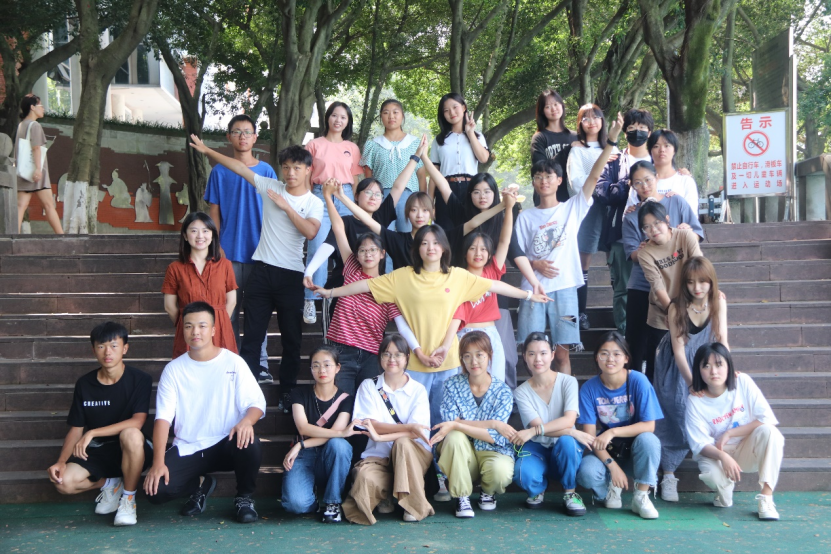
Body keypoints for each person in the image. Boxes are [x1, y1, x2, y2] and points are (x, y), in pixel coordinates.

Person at [310, 224, 548, 431]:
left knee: (445, 420)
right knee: (417, 423)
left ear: (444, 248)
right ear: (417, 249)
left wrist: (529, 294)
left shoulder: (457, 276)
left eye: (435, 243)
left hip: (449, 362)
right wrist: (331, 292)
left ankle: (440, 465)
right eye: (424, 243)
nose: (430, 247)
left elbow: (494, 285)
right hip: (415, 364)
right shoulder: (402, 277)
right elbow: (364, 285)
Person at [188, 135, 323, 412]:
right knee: (251, 338)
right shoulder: (270, 185)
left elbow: (311, 232)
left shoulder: (313, 202)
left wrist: (286, 207)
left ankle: (287, 393)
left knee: (292, 340)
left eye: (297, 168)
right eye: (286, 167)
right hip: (261, 272)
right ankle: (246, 394)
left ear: (308, 170)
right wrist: (206, 150)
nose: (290, 173)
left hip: (290, 277)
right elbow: (239, 167)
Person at [515, 113, 624, 375]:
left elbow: (593, 176)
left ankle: (566, 399)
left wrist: (611, 140)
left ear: (559, 180)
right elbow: (516, 253)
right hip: (533, 291)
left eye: (549, 176)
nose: (544, 181)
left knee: (563, 353)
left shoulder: (572, 208)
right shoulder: (525, 216)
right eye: (538, 177)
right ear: (533, 183)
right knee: (533, 353)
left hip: (565, 291)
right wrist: (535, 264)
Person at [144, 302, 266, 523]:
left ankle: (244, 498)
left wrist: (247, 421)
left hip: (227, 443)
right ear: (183, 330)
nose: (195, 332)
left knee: (250, 442)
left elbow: (256, 404)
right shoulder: (173, 370)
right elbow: (163, 419)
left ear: (213, 330)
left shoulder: (233, 362)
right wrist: (158, 462)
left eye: (202, 326)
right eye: (189, 326)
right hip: (189, 446)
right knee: (156, 491)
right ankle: (200, 484)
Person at [319, 180, 421, 396]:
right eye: (363, 250)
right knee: (342, 404)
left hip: (371, 356)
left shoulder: (388, 286)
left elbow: (402, 326)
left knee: (368, 406)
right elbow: (338, 229)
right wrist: (329, 197)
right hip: (341, 351)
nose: (368, 254)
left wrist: (418, 351)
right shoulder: (351, 269)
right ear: (356, 254)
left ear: (383, 254)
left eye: (373, 250)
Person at [46, 322, 152, 526]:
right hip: (99, 451)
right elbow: (76, 428)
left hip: (133, 448)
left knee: (130, 433)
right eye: (101, 346)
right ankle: (111, 484)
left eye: (113, 345)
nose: (107, 352)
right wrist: (61, 461)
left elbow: (138, 421)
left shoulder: (140, 379)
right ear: (93, 350)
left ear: (125, 348)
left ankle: (128, 499)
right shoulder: (85, 384)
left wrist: (92, 432)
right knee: (63, 483)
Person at [653, 256, 728, 502]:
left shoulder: (718, 301)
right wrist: (692, 383)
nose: (697, 287)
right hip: (677, 364)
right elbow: (678, 352)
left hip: (707, 360)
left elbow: (722, 340)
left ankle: (716, 467)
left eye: (703, 281)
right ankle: (668, 473)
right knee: (676, 408)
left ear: (711, 282)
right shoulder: (676, 307)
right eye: (691, 282)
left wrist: (726, 369)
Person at [204, 114, 275, 371]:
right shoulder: (219, 171)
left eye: (247, 132)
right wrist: (216, 246)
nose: (242, 136)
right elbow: (214, 212)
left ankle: (260, 365)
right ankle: (231, 362)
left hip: (261, 253)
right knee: (228, 311)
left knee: (258, 313)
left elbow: (275, 211)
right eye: (236, 131)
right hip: (228, 253)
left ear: (255, 137)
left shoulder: (266, 171)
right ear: (228, 137)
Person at [621, 162, 703, 377]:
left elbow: (695, 235)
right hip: (643, 284)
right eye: (638, 182)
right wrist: (644, 250)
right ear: (632, 186)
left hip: (677, 283)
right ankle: (636, 387)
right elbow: (633, 254)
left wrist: (687, 231)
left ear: (656, 177)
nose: (644, 185)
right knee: (637, 341)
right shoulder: (631, 215)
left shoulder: (676, 201)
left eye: (648, 179)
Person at [342, 334, 434, 524]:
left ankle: (412, 506)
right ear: (380, 357)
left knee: (402, 443)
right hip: (379, 457)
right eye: (387, 354)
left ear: (407, 358)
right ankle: (386, 494)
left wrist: (381, 436)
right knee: (364, 478)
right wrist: (408, 427)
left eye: (398, 354)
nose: (392, 359)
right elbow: (370, 424)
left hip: (412, 456)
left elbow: (415, 434)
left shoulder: (417, 390)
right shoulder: (369, 386)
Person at [686, 343, 783, 520]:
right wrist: (723, 456)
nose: (714, 371)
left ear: (728, 366)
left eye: (719, 364)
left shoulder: (742, 382)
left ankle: (766, 498)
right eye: (706, 366)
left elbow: (766, 418)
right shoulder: (695, 401)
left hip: (746, 448)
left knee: (771, 432)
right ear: (698, 370)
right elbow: (699, 444)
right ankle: (724, 490)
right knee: (714, 481)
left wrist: (730, 433)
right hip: (717, 453)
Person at [576, 331, 664, 520]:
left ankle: (641, 496)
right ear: (597, 358)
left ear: (626, 358)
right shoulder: (589, 388)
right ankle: (611, 489)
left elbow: (649, 426)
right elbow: (590, 438)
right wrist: (612, 466)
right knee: (586, 472)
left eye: (616, 354)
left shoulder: (638, 381)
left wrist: (613, 431)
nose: (610, 359)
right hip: (609, 451)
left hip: (636, 451)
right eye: (604, 353)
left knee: (649, 440)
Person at [430, 332, 515, 518]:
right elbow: (449, 423)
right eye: (467, 356)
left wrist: (458, 424)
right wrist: (492, 423)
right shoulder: (451, 384)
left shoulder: (503, 391)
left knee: (501, 471)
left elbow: (494, 436)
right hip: (461, 452)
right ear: (461, 359)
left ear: (489, 355)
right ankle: (462, 497)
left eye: (479, 355)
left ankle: (487, 491)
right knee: (454, 437)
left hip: (491, 450)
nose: (473, 361)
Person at [511, 332, 588, 516]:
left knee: (567, 443)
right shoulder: (521, 392)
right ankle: (539, 489)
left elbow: (569, 420)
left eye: (543, 353)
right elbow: (540, 429)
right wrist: (571, 432)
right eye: (531, 354)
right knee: (522, 474)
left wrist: (534, 431)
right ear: (525, 357)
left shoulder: (568, 382)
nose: (538, 359)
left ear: (552, 355)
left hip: (564, 447)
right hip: (538, 447)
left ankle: (570, 492)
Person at [446, 190, 519, 383]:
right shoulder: (456, 275)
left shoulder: (492, 271)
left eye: (483, 249)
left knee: (495, 382)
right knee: (462, 384)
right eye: (472, 248)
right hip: (463, 335)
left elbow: (504, 240)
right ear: (465, 253)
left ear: (489, 254)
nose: (478, 253)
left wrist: (508, 208)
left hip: (490, 334)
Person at [281, 346, 359, 523]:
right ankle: (313, 500)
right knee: (296, 505)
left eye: (327, 365)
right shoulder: (299, 393)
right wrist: (302, 446)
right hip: (304, 455)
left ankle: (332, 503)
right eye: (316, 365)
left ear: (337, 368)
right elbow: (303, 428)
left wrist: (301, 444)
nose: (321, 370)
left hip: (329, 454)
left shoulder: (346, 399)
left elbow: (337, 435)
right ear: (310, 369)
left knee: (339, 445)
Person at [594, 108, 655, 333]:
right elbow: (602, 192)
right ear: (625, 132)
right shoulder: (614, 161)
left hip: (658, 234)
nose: (637, 132)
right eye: (631, 128)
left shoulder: (659, 160)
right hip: (621, 234)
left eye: (642, 128)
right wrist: (629, 182)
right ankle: (625, 332)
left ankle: (654, 329)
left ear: (650, 132)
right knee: (623, 287)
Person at [304, 102, 365, 325]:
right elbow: (306, 176)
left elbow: (355, 178)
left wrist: (357, 204)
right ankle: (310, 299)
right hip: (320, 195)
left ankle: (350, 298)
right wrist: (308, 201)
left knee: (349, 249)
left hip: (345, 196)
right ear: (327, 118)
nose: (338, 120)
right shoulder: (313, 145)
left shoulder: (352, 147)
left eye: (343, 117)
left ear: (348, 122)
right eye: (334, 116)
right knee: (318, 247)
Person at [636, 202, 704, 382]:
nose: (653, 229)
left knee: (693, 360)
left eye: (657, 223)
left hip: (693, 309)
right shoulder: (645, 254)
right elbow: (657, 285)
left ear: (667, 220)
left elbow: (700, 268)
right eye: (646, 227)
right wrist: (673, 313)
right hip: (662, 314)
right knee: (657, 368)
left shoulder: (685, 236)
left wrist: (707, 297)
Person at [303, 176, 397, 304]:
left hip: (373, 290)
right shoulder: (346, 222)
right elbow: (329, 244)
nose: (373, 197)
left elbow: (398, 187)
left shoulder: (380, 220)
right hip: (343, 288)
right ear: (356, 196)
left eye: (378, 194)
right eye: (368, 192)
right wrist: (309, 271)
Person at [567, 103, 615, 331]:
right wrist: (598, 187)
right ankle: (580, 312)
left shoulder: (614, 148)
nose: (591, 121)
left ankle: (621, 312)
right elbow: (576, 182)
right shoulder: (577, 150)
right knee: (583, 263)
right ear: (580, 124)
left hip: (613, 208)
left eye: (596, 117)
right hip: (588, 210)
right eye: (585, 118)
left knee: (616, 258)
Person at [162, 212, 237, 359]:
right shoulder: (175, 268)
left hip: (219, 329)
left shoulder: (225, 265)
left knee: (223, 368)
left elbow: (232, 301)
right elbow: (169, 306)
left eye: (205, 231)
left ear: (212, 235)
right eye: (194, 231)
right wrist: (187, 325)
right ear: (185, 235)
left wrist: (216, 325)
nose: (200, 236)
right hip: (190, 332)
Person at [360, 98, 426, 237]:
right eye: (386, 113)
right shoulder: (373, 144)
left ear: (402, 115)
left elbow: (421, 175)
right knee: (383, 237)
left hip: (410, 197)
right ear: (381, 117)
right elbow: (368, 177)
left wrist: (423, 201)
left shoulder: (415, 143)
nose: (391, 116)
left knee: (410, 237)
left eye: (395, 112)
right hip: (382, 198)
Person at [429, 93, 490, 230]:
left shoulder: (477, 136)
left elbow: (483, 158)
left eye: (455, 107)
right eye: (446, 110)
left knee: (471, 231)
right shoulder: (439, 140)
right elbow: (434, 174)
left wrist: (470, 133)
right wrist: (430, 202)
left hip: (471, 189)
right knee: (446, 233)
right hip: (445, 188)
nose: (451, 112)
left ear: (463, 107)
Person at [15, 93, 63, 234]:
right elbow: (36, 148)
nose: (43, 108)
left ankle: (14, 236)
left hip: (23, 172)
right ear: (32, 107)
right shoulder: (35, 125)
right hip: (37, 173)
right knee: (49, 205)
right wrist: (38, 169)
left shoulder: (21, 125)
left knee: (21, 205)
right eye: (41, 105)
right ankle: (62, 237)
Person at [625, 129, 699, 212]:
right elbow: (629, 212)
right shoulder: (639, 180)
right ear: (650, 151)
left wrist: (679, 202)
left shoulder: (686, 181)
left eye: (667, 145)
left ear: (674, 150)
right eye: (656, 146)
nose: (662, 150)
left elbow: (692, 215)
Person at [530, 89, 577, 206]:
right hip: (548, 199)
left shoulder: (575, 137)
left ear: (562, 105)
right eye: (548, 106)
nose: (553, 109)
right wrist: (567, 150)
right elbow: (540, 168)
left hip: (572, 197)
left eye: (556, 104)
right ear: (542, 111)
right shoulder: (539, 138)